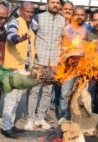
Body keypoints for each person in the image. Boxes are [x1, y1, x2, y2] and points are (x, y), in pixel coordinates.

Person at [24, 0, 65, 131]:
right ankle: (30, 119)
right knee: (34, 91)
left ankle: (40, 117)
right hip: (38, 61)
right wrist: (32, 50)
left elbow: (63, 40)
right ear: (47, 4)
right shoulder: (38, 18)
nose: (55, 5)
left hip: (53, 62)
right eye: (52, 2)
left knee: (47, 91)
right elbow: (30, 36)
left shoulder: (63, 21)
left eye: (57, 3)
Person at [0, 1, 35, 139]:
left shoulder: (29, 25)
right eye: (28, 11)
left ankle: (10, 125)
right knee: (11, 100)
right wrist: (18, 38)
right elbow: (10, 36)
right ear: (21, 11)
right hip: (14, 69)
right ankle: (5, 127)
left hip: (23, 69)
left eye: (32, 12)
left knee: (16, 100)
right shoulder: (15, 22)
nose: (30, 14)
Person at [58, 6, 90, 124]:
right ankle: (62, 116)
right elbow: (62, 48)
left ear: (85, 16)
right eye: (77, 14)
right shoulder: (67, 29)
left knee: (79, 95)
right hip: (68, 68)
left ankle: (76, 118)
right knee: (64, 94)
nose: (79, 17)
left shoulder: (89, 30)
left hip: (83, 69)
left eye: (82, 15)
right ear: (73, 15)